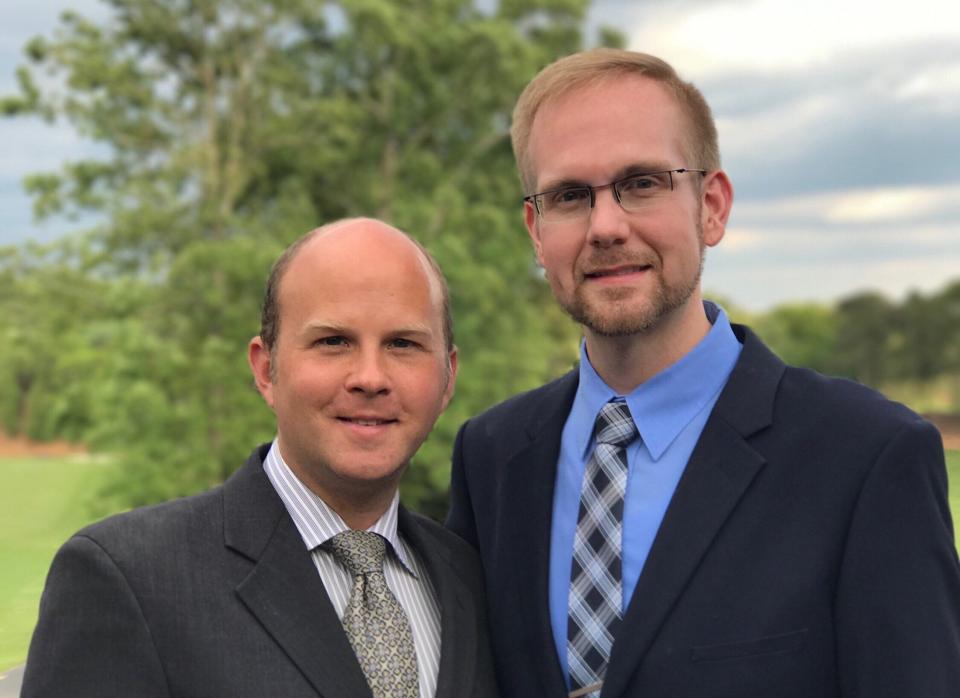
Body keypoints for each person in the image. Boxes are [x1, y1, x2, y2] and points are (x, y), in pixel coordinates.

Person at [446, 48, 960, 698]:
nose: (606, 226)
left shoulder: (867, 458)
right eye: (570, 196)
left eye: (641, 183)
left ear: (711, 206)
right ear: (536, 229)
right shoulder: (492, 457)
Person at [23, 218, 499, 698]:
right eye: (333, 341)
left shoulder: (474, 579)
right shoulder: (127, 578)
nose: (370, 377)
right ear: (266, 369)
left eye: (403, 344)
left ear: (448, 378)